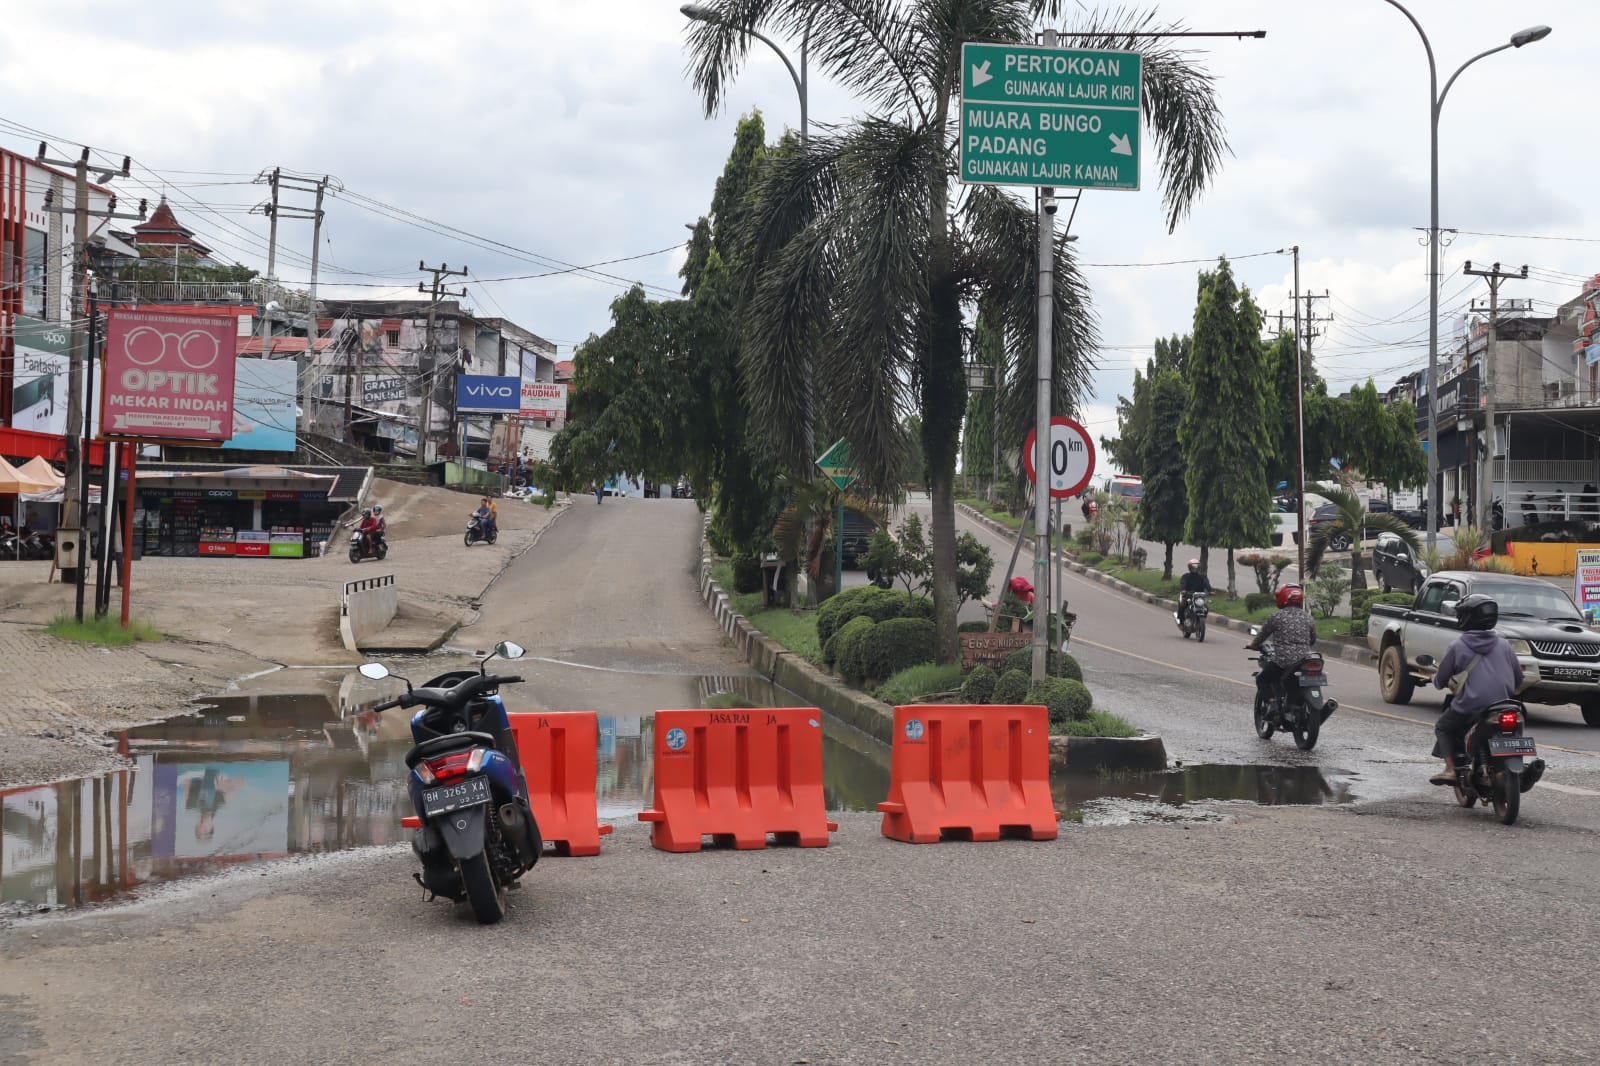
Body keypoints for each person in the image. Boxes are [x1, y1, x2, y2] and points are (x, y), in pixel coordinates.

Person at [1428, 594, 1523, 786]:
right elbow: (1518, 679)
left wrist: (1434, 680)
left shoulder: (1458, 646)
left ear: (1467, 618)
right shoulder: (1504, 645)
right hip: (1504, 705)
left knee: (1443, 727)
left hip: (1472, 706)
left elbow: (1441, 679)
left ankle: (1450, 769)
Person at [1246, 585, 1317, 708]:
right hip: (1304, 660)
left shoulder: (1276, 617)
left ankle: (1273, 702)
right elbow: (1312, 639)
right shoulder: (1308, 618)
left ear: (1282, 598)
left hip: (1283, 661)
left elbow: (1262, 636)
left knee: (1262, 680)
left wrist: (1253, 645)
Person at [1177, 558, 1214, 626]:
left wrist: (1211, 591)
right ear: (1189, 567)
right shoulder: (1186, 576)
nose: (1195, 568)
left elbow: (1207, 584)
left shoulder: (1202, 576)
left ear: (1199, 567)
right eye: (1193, 567)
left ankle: (1201, 620)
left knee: (1206, 608)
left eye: (1196, 567)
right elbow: (1183, 583)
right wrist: (1183, 590)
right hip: (1188, 595)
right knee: (1182, 605)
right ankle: (1181, 622)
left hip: (1200, 596)